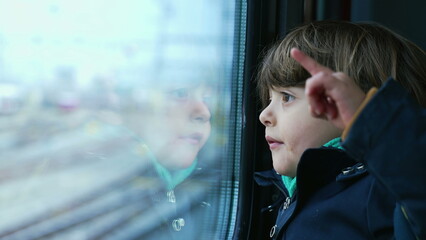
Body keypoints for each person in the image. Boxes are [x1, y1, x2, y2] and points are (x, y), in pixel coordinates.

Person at [254, 20, 426, 240]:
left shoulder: (380, 194)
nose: (264, 115)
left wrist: (370, 119)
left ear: (346, 106)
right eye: (269, 99)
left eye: (287, 97)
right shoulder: (298, 193)